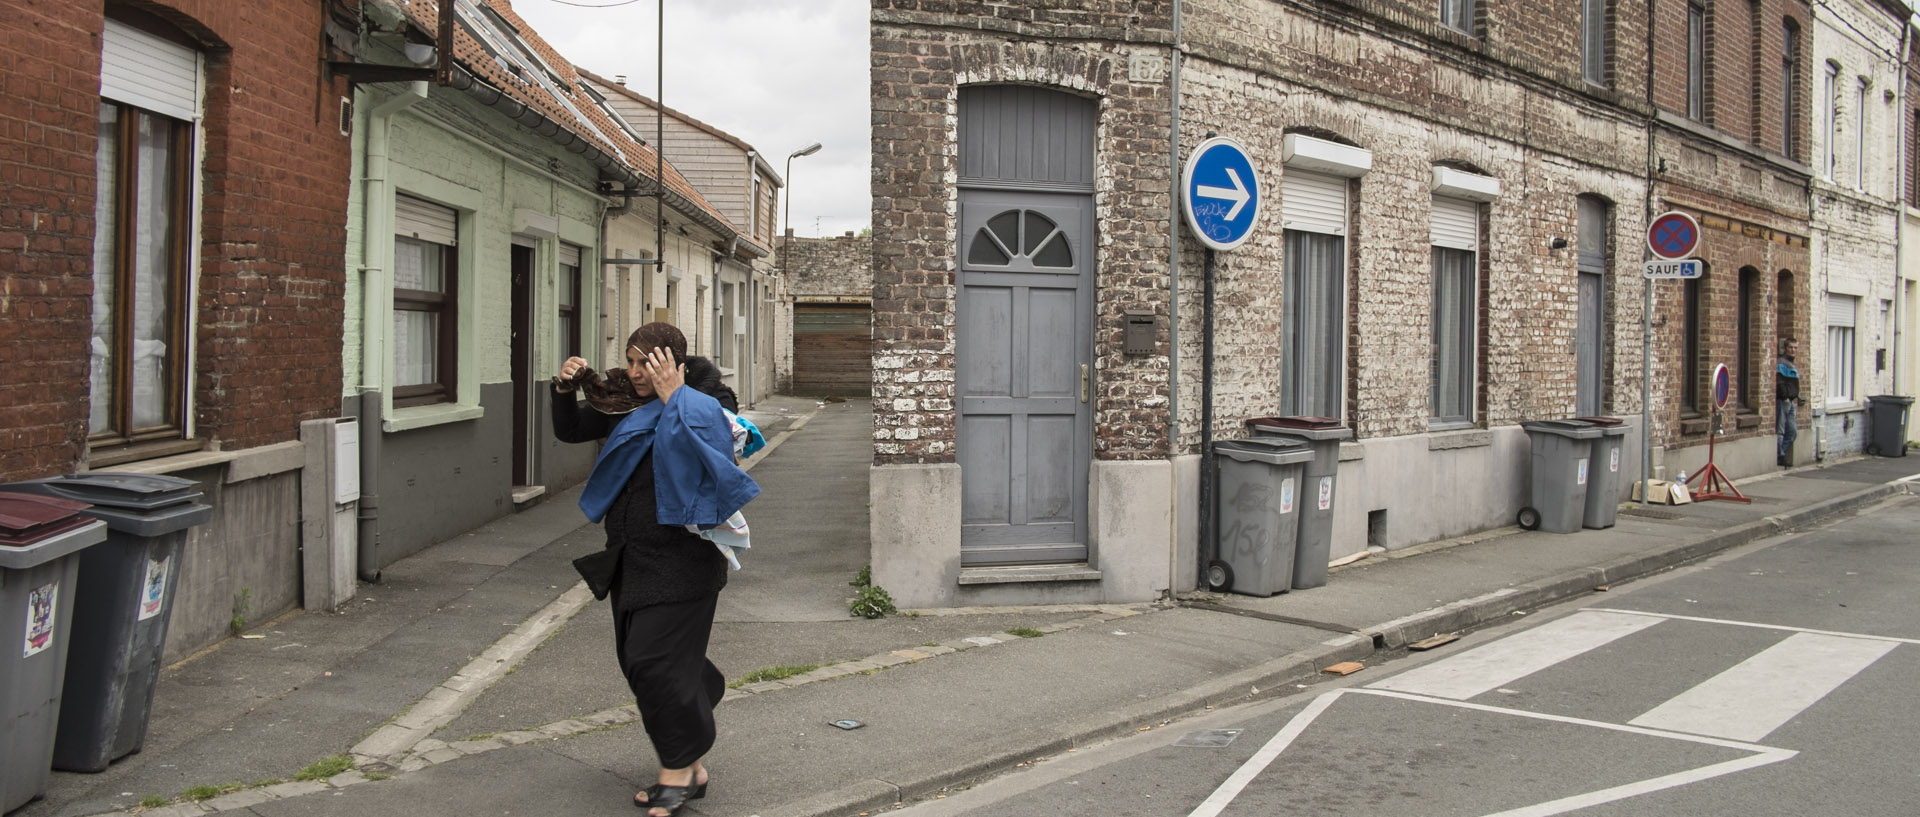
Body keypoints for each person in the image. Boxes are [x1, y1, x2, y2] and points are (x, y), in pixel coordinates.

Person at [550, 322, 758, 816]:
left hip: (684, 560)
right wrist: (564, 388)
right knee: (640, 662)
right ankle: (694, 750)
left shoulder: (709, 404)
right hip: (630, 557)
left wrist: (676, 396)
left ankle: (677, 770)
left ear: (674, 363)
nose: (636, 372)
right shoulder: (622, 403)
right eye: (631, 361)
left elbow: (710, 456)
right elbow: (572, 429)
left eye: (648, 363)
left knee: (652, 662)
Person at [1776, 338, 1801, 467]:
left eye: (1795, 348)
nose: (1793, 350)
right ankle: (1780, 456)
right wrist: (1785, 396)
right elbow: (1779, 382)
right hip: (1783, 401)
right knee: (1780, 430)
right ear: (1785, 348)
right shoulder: (1781, 363)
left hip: (1791, 402)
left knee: (1792, 431)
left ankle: (1782, 453)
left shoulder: (1792, 364)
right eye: (1791, 347)